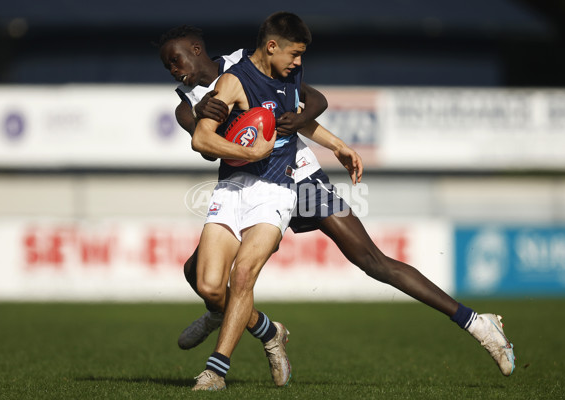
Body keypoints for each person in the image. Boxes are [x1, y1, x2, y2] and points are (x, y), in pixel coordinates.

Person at [159, 14, 515, 389]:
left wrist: (302, 122)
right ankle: (242, 318)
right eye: (167, 65)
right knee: (199, 276)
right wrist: (204, 115)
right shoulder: (187, 104)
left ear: (196, 50)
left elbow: (313, 99)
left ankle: (477, 323)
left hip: (299, 177)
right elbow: (206, 147)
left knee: (371, 261)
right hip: (245, 186)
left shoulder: (246, 61)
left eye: (175, 60)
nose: (172, 70)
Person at [167, 13, 362, 391]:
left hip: (278, 188)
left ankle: (215, 371)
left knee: (243, 276)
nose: (299, 62)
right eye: (296, 54)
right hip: (233, 188)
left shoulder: (286, 75)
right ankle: (269, 331)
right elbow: (202, 141)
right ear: (272, 46)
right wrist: (249, 150)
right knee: (209, 287)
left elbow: (300, 117)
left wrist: (339, 145)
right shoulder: (230, 82)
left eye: (301, 55)